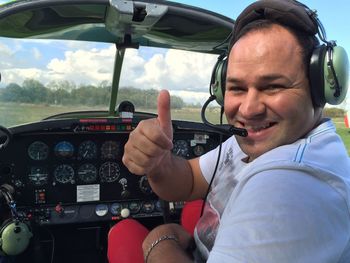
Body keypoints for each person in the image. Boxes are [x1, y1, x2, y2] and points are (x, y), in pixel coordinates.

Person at [108, 0, 350, 262]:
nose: (248, 110)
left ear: (321, 89)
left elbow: (164, 234)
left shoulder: (289, 188)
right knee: (193, 211)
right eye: (237, 88)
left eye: (273, 87)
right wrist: (159, 164)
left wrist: (159, 241)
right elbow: (189, 178)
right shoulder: (260, 138)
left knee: (123, 231)